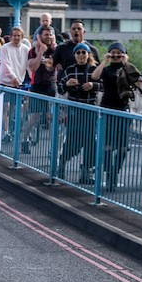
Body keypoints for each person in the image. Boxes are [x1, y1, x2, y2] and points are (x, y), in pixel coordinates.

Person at [90, 41, 142, 191]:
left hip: (122, 110)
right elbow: (94, 77)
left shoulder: (127, 69)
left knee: (122, 147)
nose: (115, 55)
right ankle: (109, 175)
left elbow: (139, 83)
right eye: (112, 52)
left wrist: (126, 63)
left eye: (118, 52)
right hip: (107, 108)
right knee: (107, 146)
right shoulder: (106, 70)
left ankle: (114, 173)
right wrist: (105, 61)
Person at [57, 43, 99, 183]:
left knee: (90, 143)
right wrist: (67, 84)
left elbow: (105, 86)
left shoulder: (94, 70)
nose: (81, 55)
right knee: (72, 141)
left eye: (84, 52)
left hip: (90, 110)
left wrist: (94, 85)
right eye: (78, 53)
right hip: (75, 110)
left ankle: (85, 173)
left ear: (88, 54)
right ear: (74, 55)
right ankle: (61, 164)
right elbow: (60, 89)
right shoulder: (70, 70)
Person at [21, 28, 58, 152]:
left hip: (51, 86)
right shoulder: (33, 51)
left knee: (52, 117)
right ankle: (24, 140)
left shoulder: (55, 50)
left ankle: (53, 149)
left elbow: (58, 67)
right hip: (37, 86)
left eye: (50, 35)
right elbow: (33, 67)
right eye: (45, 35)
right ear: (40, 36)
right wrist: (40, 53)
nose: (48, 37)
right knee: (34, 117)